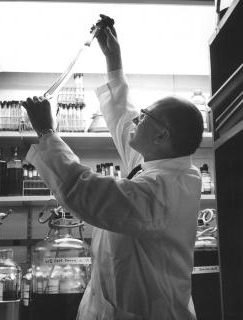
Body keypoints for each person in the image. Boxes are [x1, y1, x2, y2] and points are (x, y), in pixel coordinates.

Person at [23, 17, 204, 320]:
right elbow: (124, 115)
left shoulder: (167, 189)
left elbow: (90, 193)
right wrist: (113, 59)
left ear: (161, 136)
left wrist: (46, 133)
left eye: (146, 116)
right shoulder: (154, 166)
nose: (137, 119)